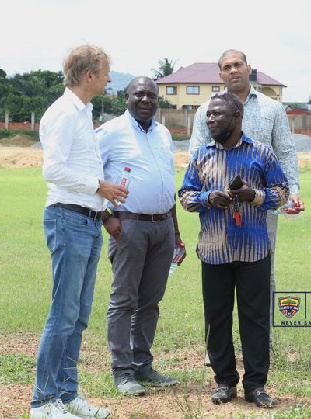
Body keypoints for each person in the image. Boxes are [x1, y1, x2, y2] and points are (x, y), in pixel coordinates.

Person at [189, 50, 304, 360]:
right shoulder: (206, 111)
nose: (233, 70)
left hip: (261, 205)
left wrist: (292, 191)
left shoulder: (272, 108)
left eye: (238, 64)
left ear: (249, 68)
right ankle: (218, 351)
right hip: (218, 211)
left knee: (262, 271)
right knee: (217, 281)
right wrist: (208, 197)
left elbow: (286, 151)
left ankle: (259, 345)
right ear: (220, 75)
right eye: (227, 67)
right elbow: (196, 156)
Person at [31, 44, 124, 419]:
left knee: (79, 313)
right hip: (67, 219)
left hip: (86, 220)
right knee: (63, 313)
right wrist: (97, 185)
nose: (109, 78)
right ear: (89, 75)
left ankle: (67, 395)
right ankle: (43, 401)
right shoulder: (63, 113)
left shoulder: (82, 112)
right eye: (105, 72)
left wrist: (101, 196)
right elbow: (51, 170)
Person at [179, 92, 289, 408]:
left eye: (217, 115)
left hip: (254, 251)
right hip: (214, 251)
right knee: (217, 319)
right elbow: (185, 196)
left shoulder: (262, 153)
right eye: (208, 116)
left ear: (236, 118)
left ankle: (256, 386)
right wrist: (207, 199)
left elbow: (281, 193)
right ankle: (225, 382)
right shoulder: (200, 156)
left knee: (255, 319)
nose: (210, 120)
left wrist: (252, 195)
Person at [96, 76, 186, 396]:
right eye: (139, 94)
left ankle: (142, 364)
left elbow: (167, 184)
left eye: (151, 95)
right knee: (124, 300)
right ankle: (122, 370)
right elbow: (84, 173)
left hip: (162, 227)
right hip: (128, 226)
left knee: (150, 301)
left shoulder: (163, 134)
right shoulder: (110, 132)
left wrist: (175, 232)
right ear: (126, 97)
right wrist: (105, 218)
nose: (146, 99)